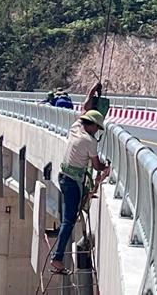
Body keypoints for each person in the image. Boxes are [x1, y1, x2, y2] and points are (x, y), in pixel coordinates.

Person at [50, 109, 109, 275]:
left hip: (63, 177)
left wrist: (91, 97)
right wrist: (106, 167)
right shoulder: (90, 141)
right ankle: (57, 257)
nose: (97, 131)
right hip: (73, 183)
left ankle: (58, 256)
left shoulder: (75, 127)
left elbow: (85, 107)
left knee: (68, 219)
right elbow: (97, 166)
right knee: (68, 221)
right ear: (92, 125)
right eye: (97, 127)